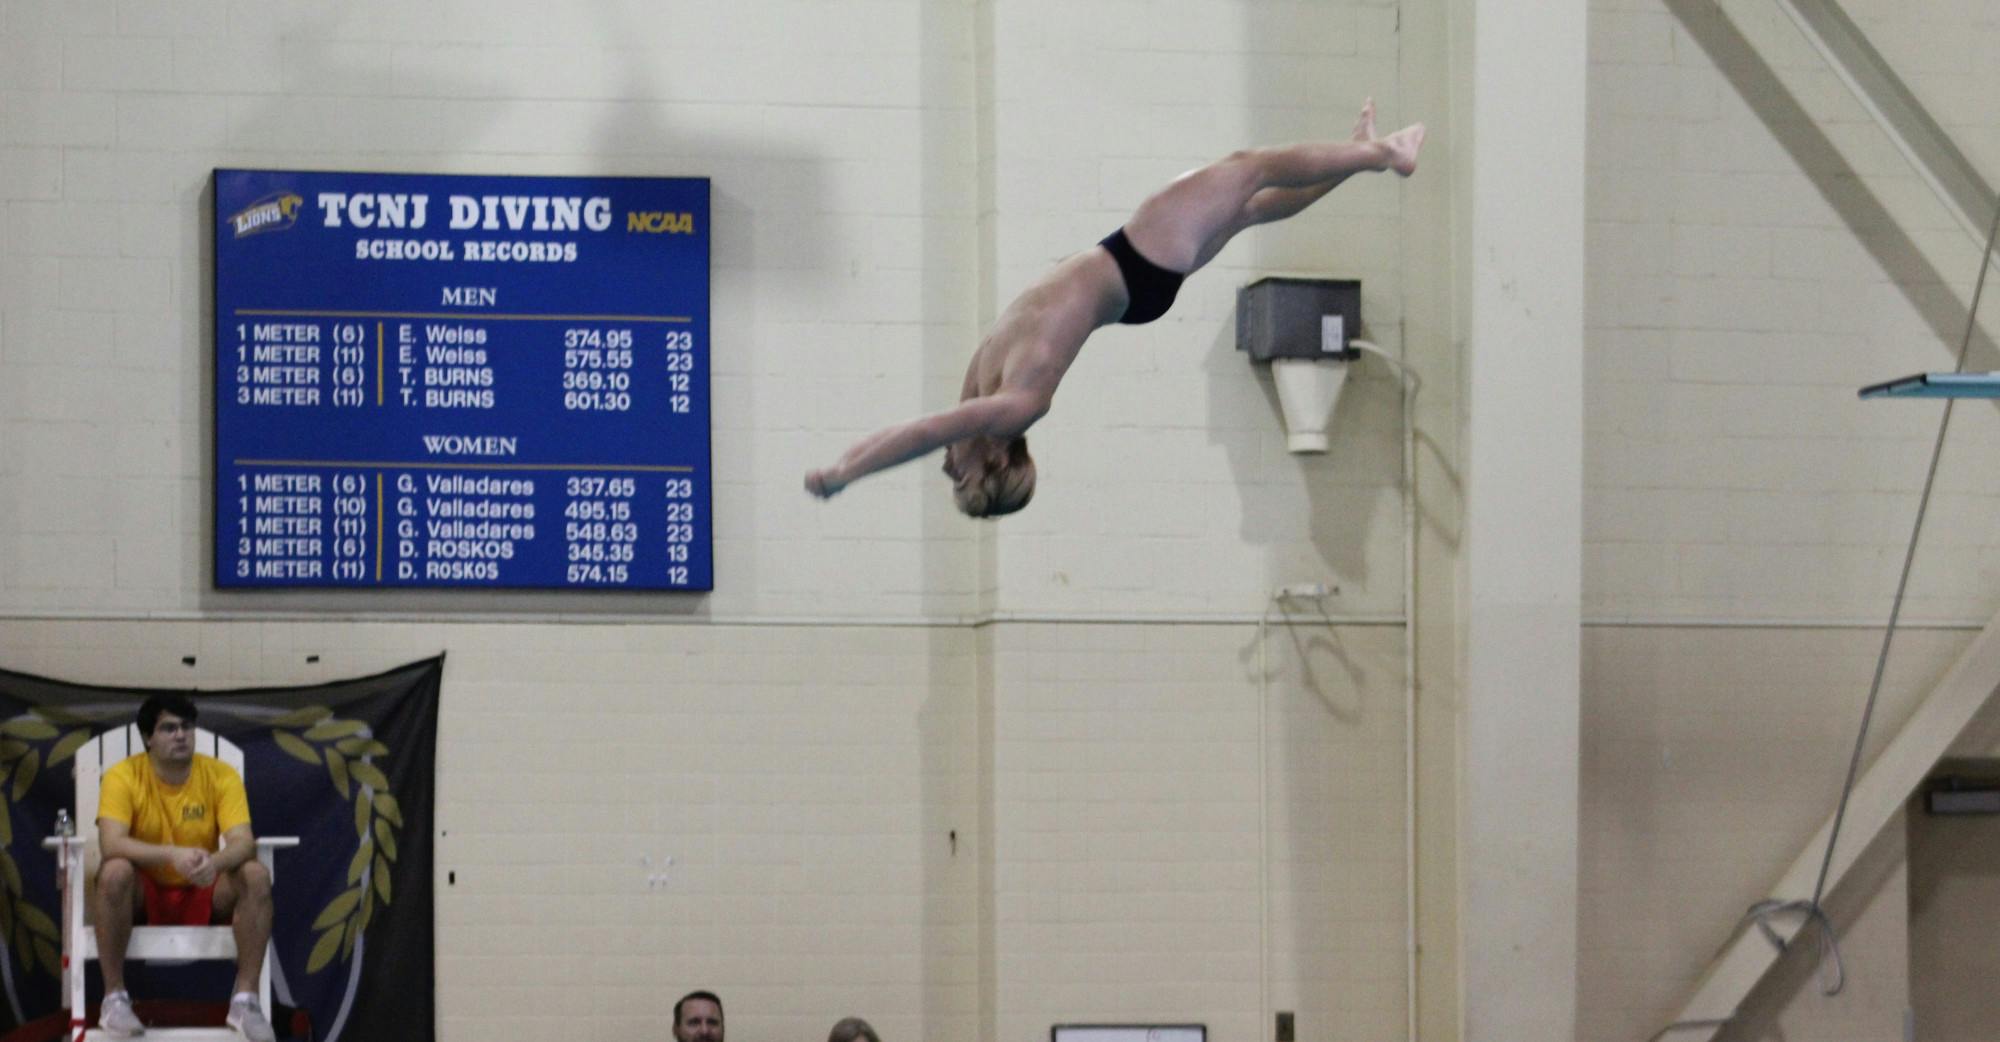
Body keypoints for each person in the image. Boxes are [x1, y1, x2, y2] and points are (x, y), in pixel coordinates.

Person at [804, 99, 1425, 517]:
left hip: (1134, 277)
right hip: (1137, 265)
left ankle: (1355, 158)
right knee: (1247, 169)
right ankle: (1384, 155)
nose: (947, 462)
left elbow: (926, 431)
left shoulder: (979, 393)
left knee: (1251, 204)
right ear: (993, 457)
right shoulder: (1018, 405)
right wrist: (842, 474)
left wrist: (848, 467)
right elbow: (918, 435)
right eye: (956, 474)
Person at [92, 694, 276, 1042]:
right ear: (148, 737)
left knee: (255, 874)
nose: (180, 735)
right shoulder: (123, 776)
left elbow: (244, 842)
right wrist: (171, 855)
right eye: (169, 728)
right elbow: (111, 844)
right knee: (114, 870)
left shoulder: (220, 775)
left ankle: (245, 1001)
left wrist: (215, 862)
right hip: (144, 892)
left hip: (204, 886)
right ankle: (114, 999)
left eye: (187, 727)